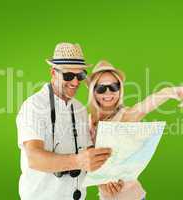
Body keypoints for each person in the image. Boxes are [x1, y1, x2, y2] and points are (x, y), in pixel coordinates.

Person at [86, 60, 183, 200]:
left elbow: (147, 104)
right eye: (101, 88)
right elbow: (85, 161)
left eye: (114, 87)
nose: (108, 92)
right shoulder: (88, 121)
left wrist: (172, 91)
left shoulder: (126, 115)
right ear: (93, 91)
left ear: (120, 89)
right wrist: (102, 181)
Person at [16, 43, 112, 200]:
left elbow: (89, 153)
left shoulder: (80, 109)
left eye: (80, 76)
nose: (75, 83)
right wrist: (78, 161)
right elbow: (34, 158)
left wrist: (106, 179)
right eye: (68, 76)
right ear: (53, 73)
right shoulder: (33, 106)